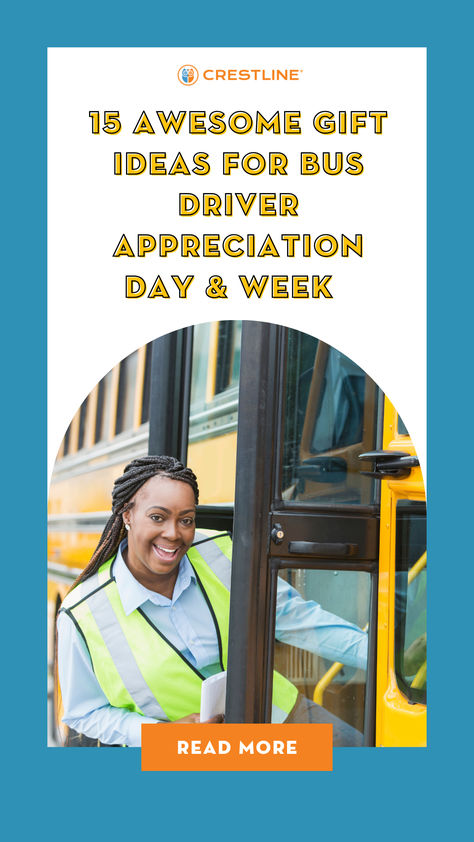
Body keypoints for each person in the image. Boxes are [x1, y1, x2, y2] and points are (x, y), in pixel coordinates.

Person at [57, 455, 368, 747]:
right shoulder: (83, 612)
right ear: (127, 515)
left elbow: (296, 618)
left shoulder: (218, 550)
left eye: (186, 520)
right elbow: (84, 712)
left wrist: (380, 658)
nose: (173, 533)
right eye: (157, 517)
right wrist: (161, 736)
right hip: (187, 753)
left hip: (281, 718)